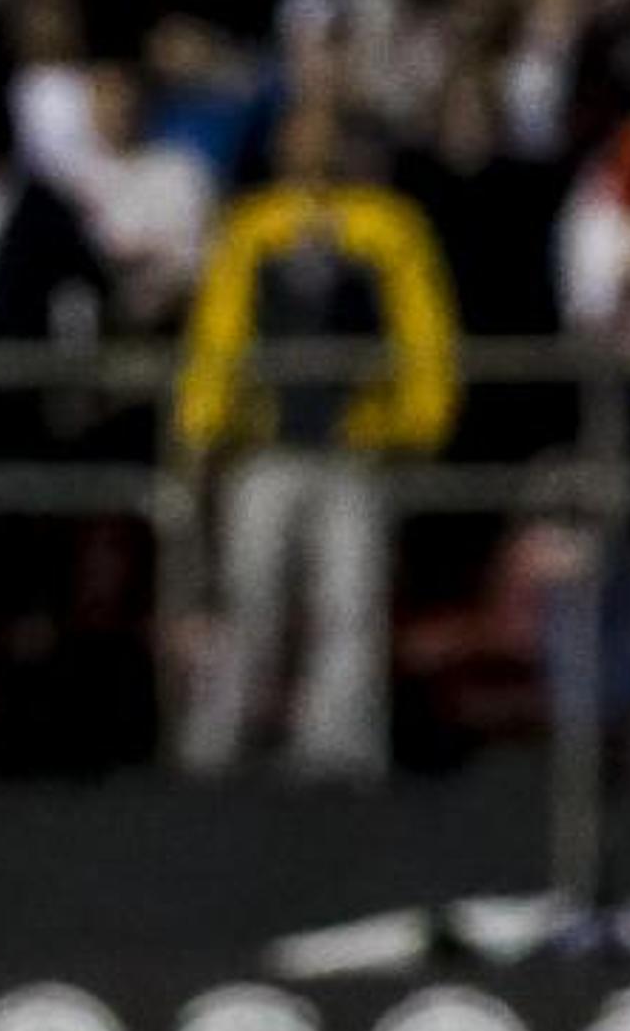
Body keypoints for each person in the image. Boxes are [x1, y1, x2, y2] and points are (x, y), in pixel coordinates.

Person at [173, 96, 457, 780]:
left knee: (351, 599)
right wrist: (205, 423)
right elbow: (220, 329)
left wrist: (418, 422)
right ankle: (221, 740)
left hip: (356, 441)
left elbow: (423, 331)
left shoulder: (388, 225)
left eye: (329, 135)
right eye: (302, 135)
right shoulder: (253, 225)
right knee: (249, 596)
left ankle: (339, 745)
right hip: (266, 442)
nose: (315, 150)